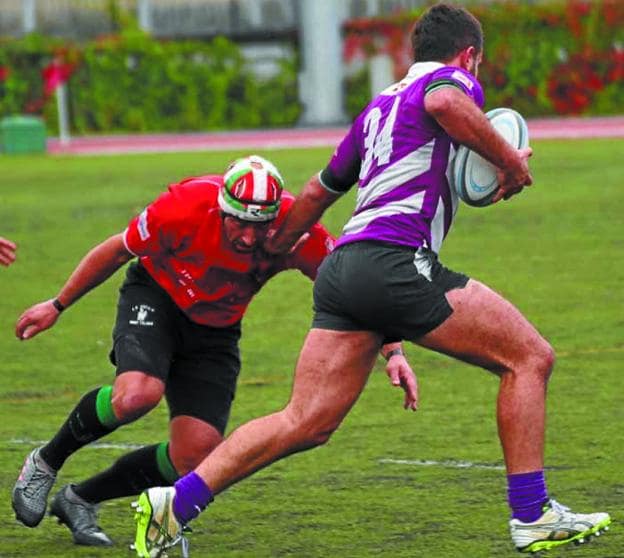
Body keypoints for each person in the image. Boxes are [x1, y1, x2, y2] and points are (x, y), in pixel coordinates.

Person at [132, 5, 611, 557]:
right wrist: (512, 163)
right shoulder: (450, 80)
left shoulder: (378, 106)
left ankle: (176, 503)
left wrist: (275, 247)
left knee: (305, 420)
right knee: (530, 358)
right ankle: (532, 514)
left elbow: (316, 192)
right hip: (395, 259)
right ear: (469, 55)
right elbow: (446, 102)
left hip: (343, 267)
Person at [11, 153, 420, 547]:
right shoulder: (185, 205)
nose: (247, 237)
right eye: (238, 223)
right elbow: (118, 249)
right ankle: (45, 461)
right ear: (222, 208)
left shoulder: (296, 230)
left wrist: (394, 351)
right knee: (137, 395)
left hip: (217, 331)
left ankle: (80, 499)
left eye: (258, 228)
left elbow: (352, 285)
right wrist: (57, 304)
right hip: (157, 296)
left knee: (195, 458)